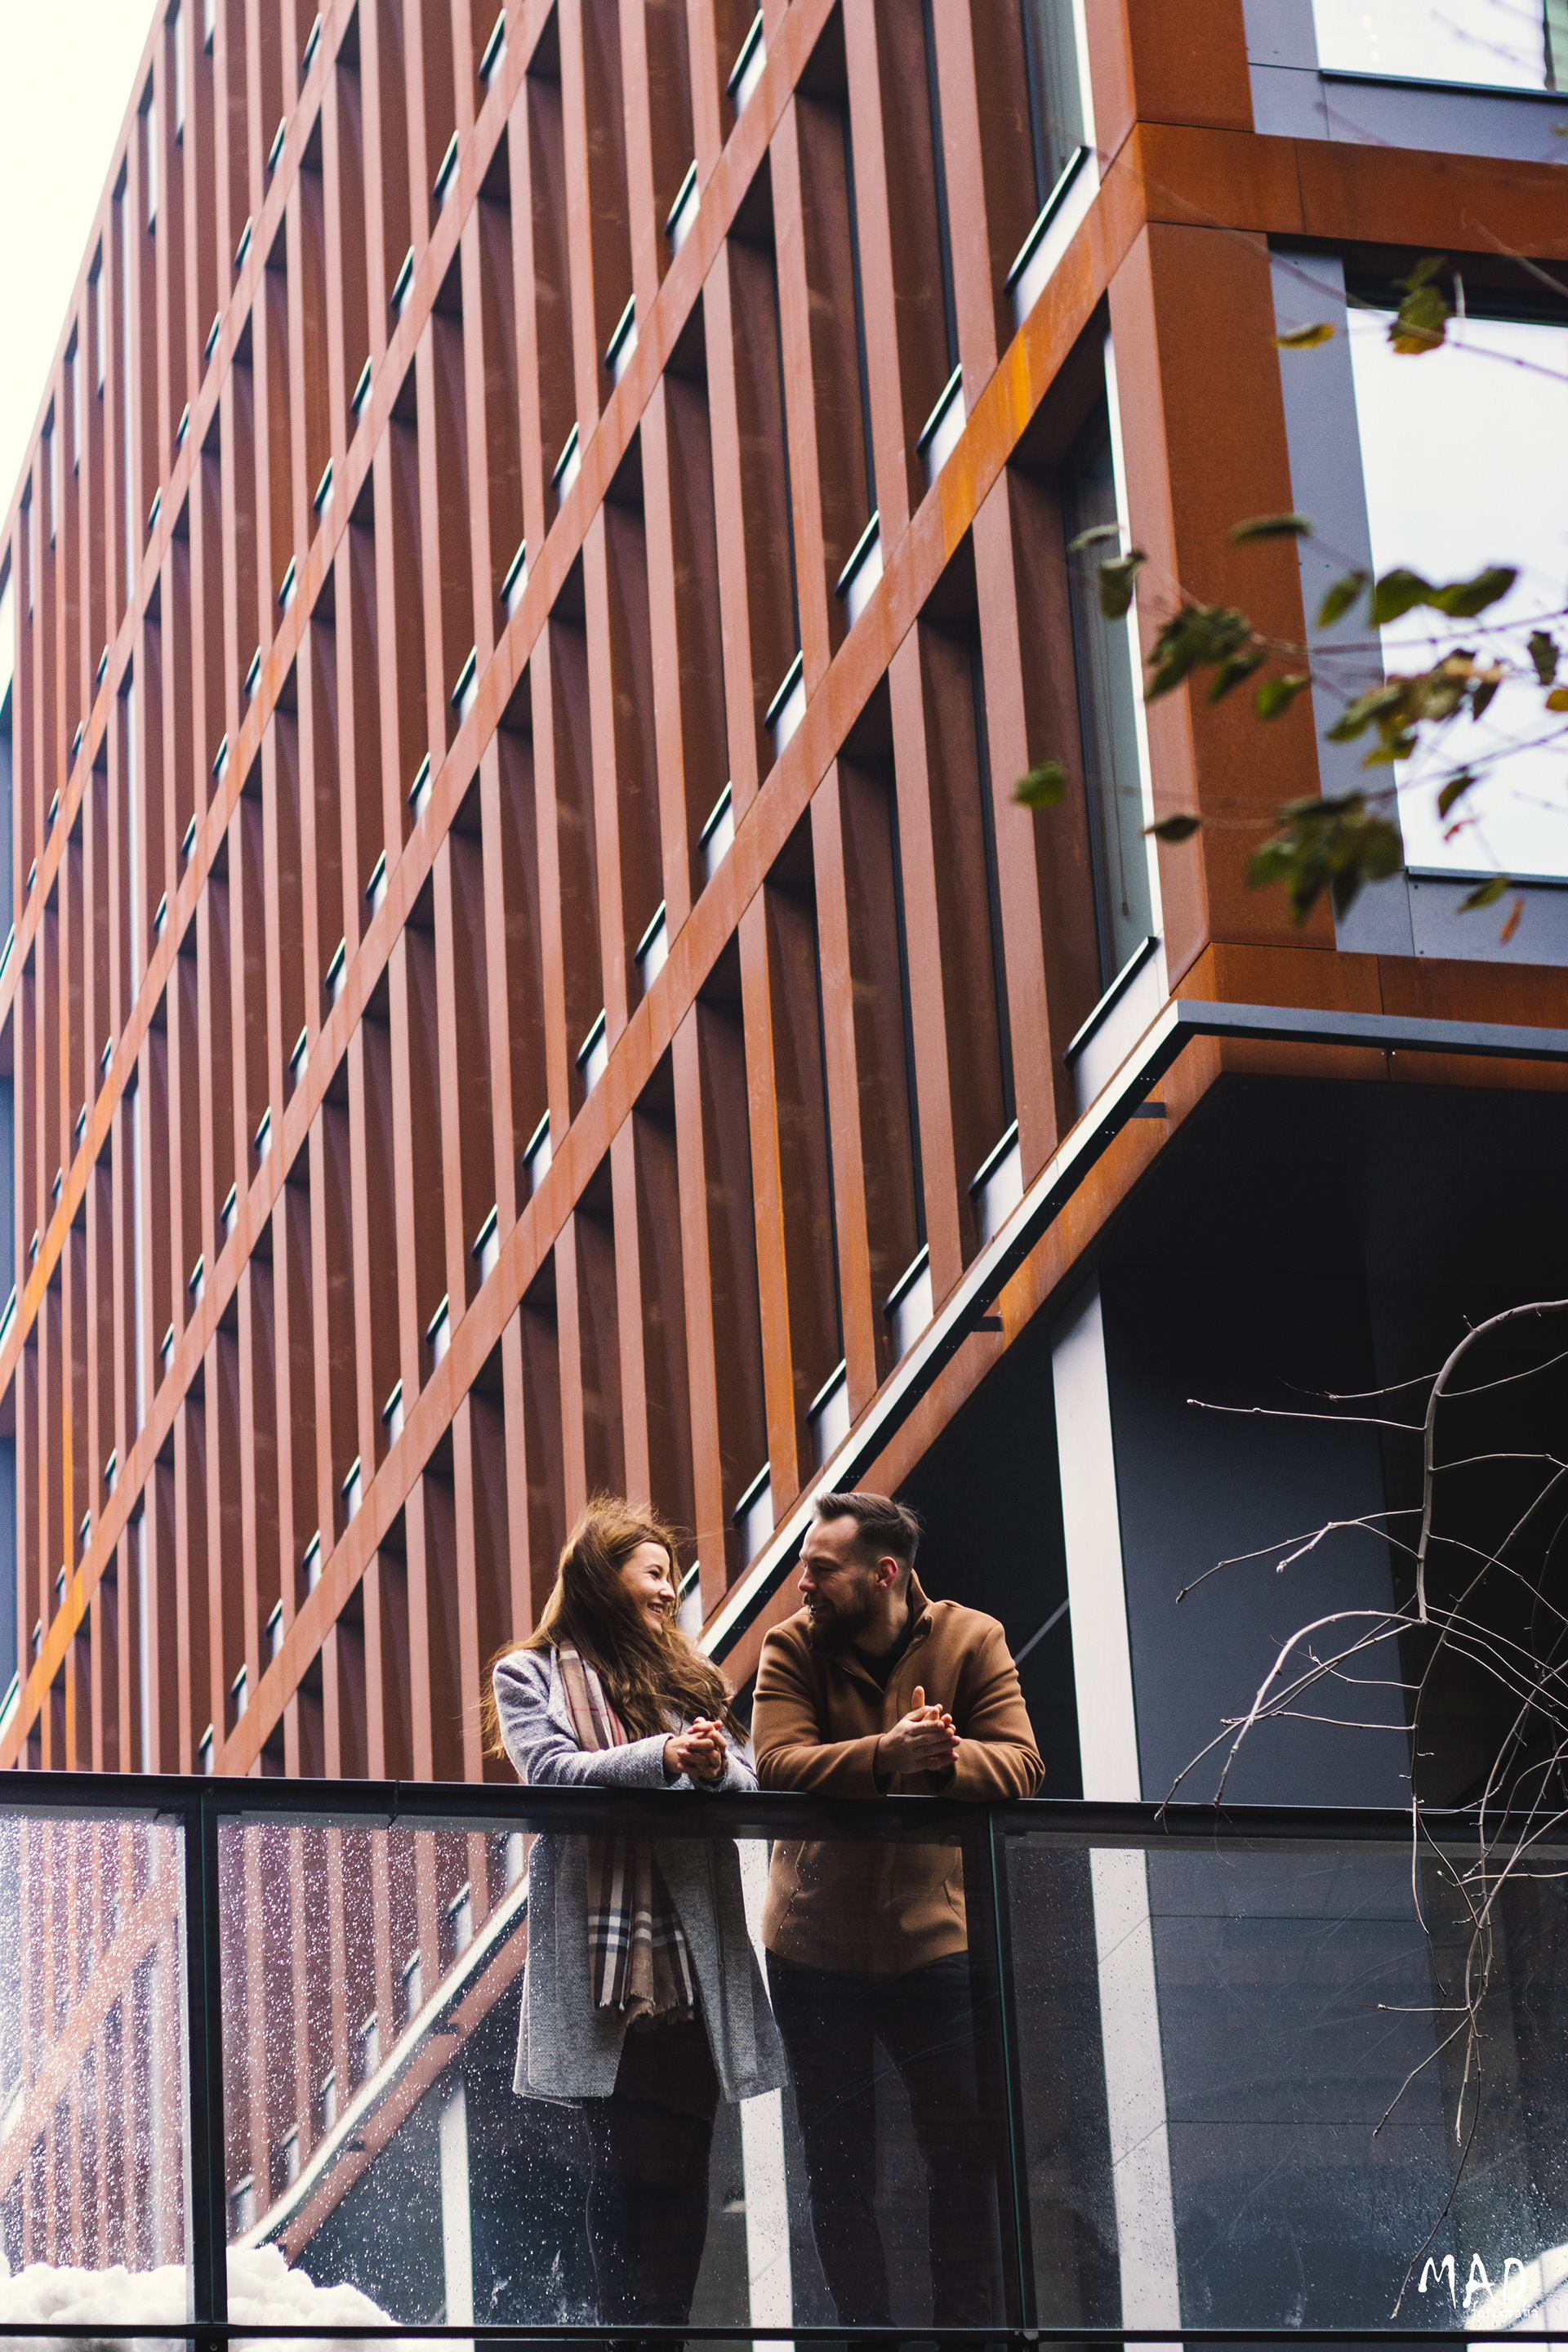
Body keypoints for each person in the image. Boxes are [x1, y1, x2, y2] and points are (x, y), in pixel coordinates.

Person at [488, 1497, 785, 2338]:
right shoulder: (529, 1674)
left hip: (690, 1957)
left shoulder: (690, 1679)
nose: (667, 1590)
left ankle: (666, 2331)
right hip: (603, 1964)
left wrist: (710, 1764)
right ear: (600, 1576)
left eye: (671, 1578)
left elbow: (749, 1782)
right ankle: (631, 2331)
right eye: (653, 1572)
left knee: (686, 2159)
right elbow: (550, 1769)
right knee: (628, 2166)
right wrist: (664, 1755)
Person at [751, 1489, 1044, 2332]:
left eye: (821, 1570)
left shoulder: (972, 1639)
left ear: (884, 1573)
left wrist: (944, 1761)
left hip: (930, 1941)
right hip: (811, 1946)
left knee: (963, 2149)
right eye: (803, 1568)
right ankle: (866, 2337)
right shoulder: (789, 1646)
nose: (804, 1585)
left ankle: (966, 2335)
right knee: (838, 2165)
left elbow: (1023, 1765)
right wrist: (888, 1753)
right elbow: (775, 1762)